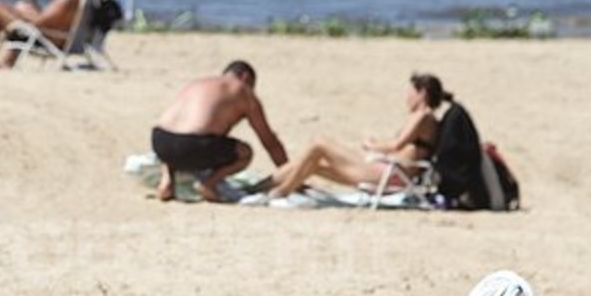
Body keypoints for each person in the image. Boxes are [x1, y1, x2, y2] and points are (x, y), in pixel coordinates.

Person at [250, 73, 449, 203]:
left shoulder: (423, 116)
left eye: (410, 93)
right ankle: (260, 187)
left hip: (390, 174)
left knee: (319, 143)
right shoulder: (425, 117)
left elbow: (397, 144)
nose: (407, 97)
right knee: (314, 164)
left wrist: (373, 145)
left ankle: (279, 192)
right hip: (386, 170)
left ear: (422, 93)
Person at [151, 60, 289, 202]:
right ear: (245, 77)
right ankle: (209, 184)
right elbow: (269, 141)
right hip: (193, 145)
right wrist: (289, 173)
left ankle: (166, 182)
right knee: (245, 152)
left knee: (178, 137)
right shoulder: (243, 90)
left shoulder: (199, 83)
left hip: (160, 142)